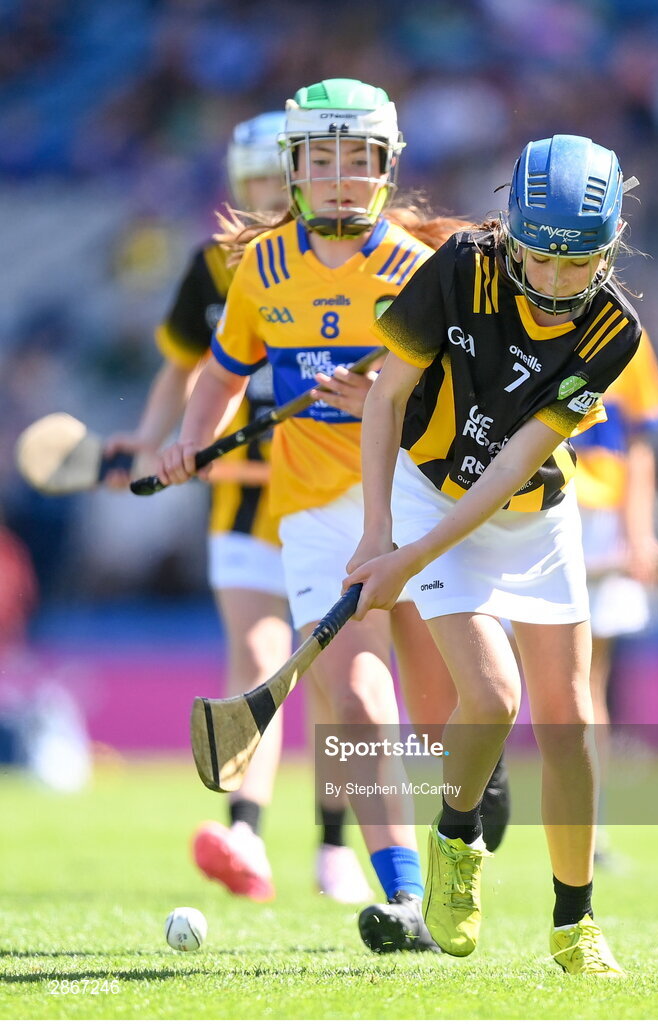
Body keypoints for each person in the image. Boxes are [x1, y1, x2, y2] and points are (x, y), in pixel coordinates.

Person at [154, 78, 508, 952]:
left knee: (439, 706)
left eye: (360, 159)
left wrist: (383, 401)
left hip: (422, 501)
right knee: (352, 694)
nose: (341, 177)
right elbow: (224, 371)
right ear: (295, 169)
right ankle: (406, 899)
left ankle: (469, 783)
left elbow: (473, 398)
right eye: (323, 159)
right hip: (314, 510)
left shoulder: (424, 272)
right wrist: (192, 441)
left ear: (387, 169)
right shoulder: (260, 267)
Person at [344, 134, 642, 974]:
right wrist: (377, 533)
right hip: (425, 491)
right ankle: (456, 837)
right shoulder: (459, 270)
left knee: (571, 720)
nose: (553, 283)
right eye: (538, 257)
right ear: (510, 232)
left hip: (532, 516)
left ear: (609, 249)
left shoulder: (613, 330)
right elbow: (385, 398)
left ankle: (574, 925)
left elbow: (514, 462)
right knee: (491, 696)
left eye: (577, 262)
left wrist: (406, 563)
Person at [104, 112, 373, 906]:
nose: (264, 197)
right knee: (259, 661)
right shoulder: (220, 266)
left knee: (336, 683)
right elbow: (186, 370)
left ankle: (335, 843)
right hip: (242, 504)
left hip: (331, 497)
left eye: (272, 180)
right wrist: (156, 442)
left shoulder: (346, 258)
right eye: (251, 183)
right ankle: (248, 831)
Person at [571, 331, 658, 864]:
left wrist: (638, 533)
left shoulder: (627, 336)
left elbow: (638, 440)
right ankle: (476, 820)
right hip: (524, 506)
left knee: (587, 682)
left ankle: (590, 828)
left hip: (603, 521)